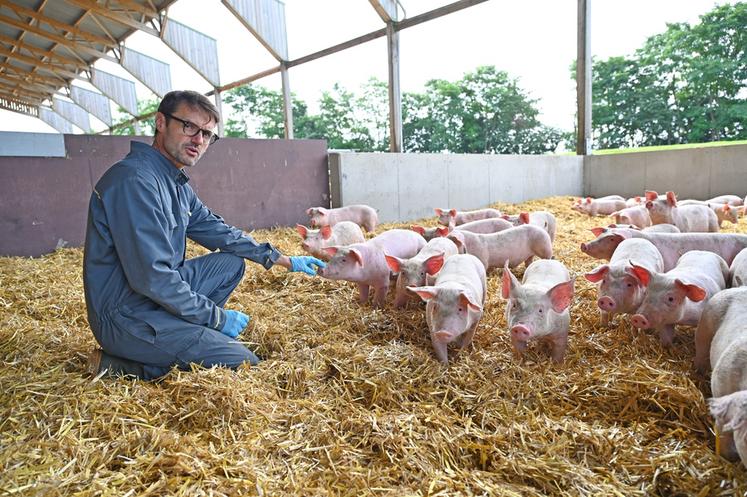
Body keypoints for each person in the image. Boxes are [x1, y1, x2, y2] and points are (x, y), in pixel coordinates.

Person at [83, 90, 325, 380]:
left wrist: (281, 259)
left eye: (207, 134)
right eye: (189, 127)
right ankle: (126, 366)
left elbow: (219, 232)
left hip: (151, 300)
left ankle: (185, 340)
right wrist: (216, 318)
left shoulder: (176, 184)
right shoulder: (135, 181)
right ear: (161, 122)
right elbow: (153, 277)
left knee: (231, 264)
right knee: (241, 360)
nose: (198, 140)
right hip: (126, 316)